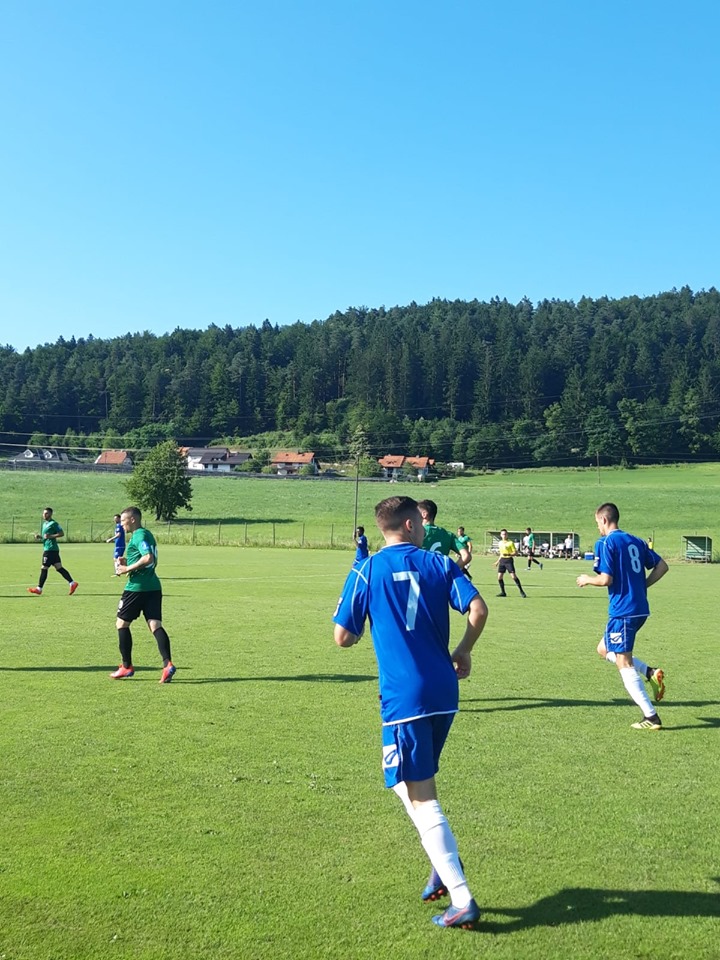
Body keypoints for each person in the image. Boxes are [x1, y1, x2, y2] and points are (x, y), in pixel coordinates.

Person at [333, 496, 488, 929]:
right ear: (408, 524)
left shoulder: (368, 569)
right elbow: (478, 609)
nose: (423, 526)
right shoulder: (439, 564)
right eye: (419, 521)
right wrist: (463, 650)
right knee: (405, 780)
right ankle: (441, 861)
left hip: (406, 697)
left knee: (420, 794)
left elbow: (343, 637)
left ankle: (461, 896)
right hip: (444, 690)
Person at [576, 502, 668, 730]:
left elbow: (606, 579)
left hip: (623, 611)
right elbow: (662, 566)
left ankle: (651, 717)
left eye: (597, 522)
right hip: (640, 608)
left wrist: (587, 579)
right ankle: (649, 672)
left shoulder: (605, 543)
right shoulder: (636, 540)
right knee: (603, 649)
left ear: (604, 519)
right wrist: (642, 586)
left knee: (623, 662)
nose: (597, 527)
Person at [110, 506, 176, 684]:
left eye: (123, 521)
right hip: (153, 586)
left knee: (121, 624)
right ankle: (167, 665)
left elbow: (148, 558)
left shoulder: (139, 535)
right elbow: (145, 557)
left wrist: (126, 569)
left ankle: (126, 666)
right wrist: (128, 561)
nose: (121, 524)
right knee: (155, 625)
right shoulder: (146, 534)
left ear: (133, 519)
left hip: (137, 588)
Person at [27, 507, 78, 596]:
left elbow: (61, 533)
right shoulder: (45, 524)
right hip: (52, 550)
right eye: (43, 513)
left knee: (44, 568)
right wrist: (40, 537)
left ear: (50, 514)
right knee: (59, 568)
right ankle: (72, 583)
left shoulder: (54, 523)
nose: (44, 515)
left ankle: (39, 589)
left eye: (46, 513)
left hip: (50, 550)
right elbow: (46, 537)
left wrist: (51, 536)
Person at [416, 500, 471, 573]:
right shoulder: (448, 535)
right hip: (441, 577)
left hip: (422, 576)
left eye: (415, 513)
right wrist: (451, 572)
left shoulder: (417, 532)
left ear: (424, 514)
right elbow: (466, 556)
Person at [493, 529, 527, 598]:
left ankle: (521, 591)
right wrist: (497, 561)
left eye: (505, 534)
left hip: (508, 560)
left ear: (507, 535)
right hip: (502, 560)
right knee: (499, 577)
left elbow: (515, 552)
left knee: (513, 576)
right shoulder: (500, 543)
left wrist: (509, 554)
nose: (504, 535)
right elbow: (501, 554)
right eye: (503, 534)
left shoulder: (510, 543)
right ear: (500, 535)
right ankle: (503, 592)